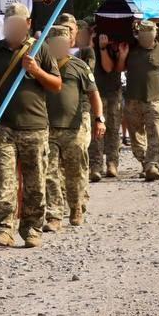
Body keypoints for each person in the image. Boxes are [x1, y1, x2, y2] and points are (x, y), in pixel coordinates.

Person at [0, 3, 62, 248]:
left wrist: (35, 70)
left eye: (17, 22)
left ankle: (32, 229)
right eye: (8, 22)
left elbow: (56, 84)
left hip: (35, 128)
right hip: (3, 127)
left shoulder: (40, 49)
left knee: (35, 183)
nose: (11, 27)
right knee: (4, 181)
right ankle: (4, 228)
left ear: (27, 24)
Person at [42, 21, 104, 232]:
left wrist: (99, 119)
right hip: (47, 128)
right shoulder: (40, 66)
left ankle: (76, 207)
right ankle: (54, 216)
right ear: (48, 44)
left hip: (74, 128)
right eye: (54, 43)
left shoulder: (79, 66)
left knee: (75, 172)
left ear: (69, 43)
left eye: (62, 43)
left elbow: (93, 94)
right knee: (50, 173)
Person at [118, 19, 159, 182]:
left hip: (154, 101)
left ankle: (152, 165)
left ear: (154, 35)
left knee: (156, 133)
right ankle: (145, 162)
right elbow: (119, 69)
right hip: (132, 101)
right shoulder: (131, 50)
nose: (145, 40)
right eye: (142, 36)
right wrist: (123, 56)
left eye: (148, 36)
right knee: (136, 137)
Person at [89, 25, 125, 182]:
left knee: (113, 128)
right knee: (96, 130)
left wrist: (104, 49)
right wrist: (92, 46)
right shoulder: (87, 49)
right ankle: (96, 166)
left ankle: (112, 163)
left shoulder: (114, 46)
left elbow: (109, 68)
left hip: (112, 92)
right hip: (95, 92)